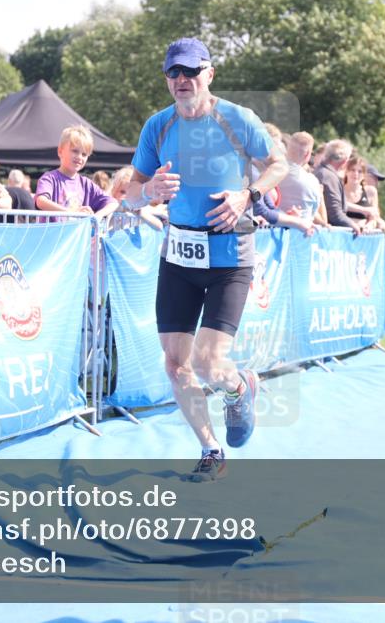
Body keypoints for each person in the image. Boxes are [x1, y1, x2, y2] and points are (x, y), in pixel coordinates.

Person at [124, 37, 288, 481]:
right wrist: (147, 195)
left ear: (208, 75)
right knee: (176, 363)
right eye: (173, 73)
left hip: (230, 256)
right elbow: (129, 195)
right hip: (179, 257)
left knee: (208, 364)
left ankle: (239, 388)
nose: (181, 80)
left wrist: (247, 194)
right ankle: (211, 449)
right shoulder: (157, 127)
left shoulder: (237, 119)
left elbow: (279, 165)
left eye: (190, 72)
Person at [35, 125, 119, 220]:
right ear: (60, 151)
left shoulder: (87, 184)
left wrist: (97, 216)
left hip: (77, 235)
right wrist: (72, 213)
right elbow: (41, 201)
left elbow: (113, 202)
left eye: (84, 154)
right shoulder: (50, 178)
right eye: (75, 151)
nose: (79, 157)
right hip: (53, 234)